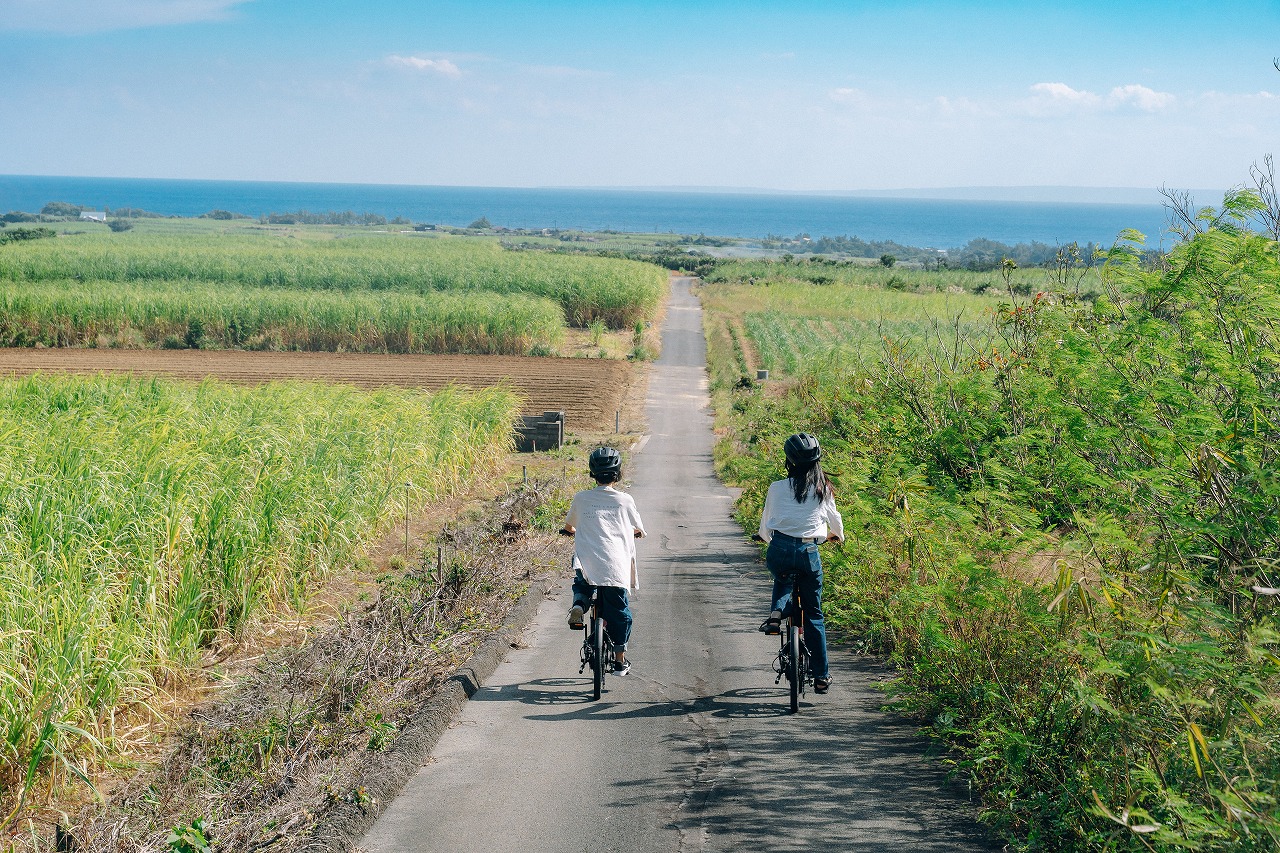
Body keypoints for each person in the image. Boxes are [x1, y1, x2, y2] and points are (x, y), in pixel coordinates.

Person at [757, 432, 844, 694]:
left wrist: (765, 537)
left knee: (782, 578)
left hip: (780, 548)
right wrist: (838, 535)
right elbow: (835, 519)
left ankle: (776, 613)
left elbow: (766, 523)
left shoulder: (776, 487)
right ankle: (821, 676)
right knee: (814, 613)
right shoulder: (823, 488)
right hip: (808, 550)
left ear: (789, 461)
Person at [563, 446, 646, 675]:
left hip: (588, 563)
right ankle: (620, 661)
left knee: (582, 581)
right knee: (619, 612)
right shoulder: (624, 500)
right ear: (617, 473)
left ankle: (580, 603)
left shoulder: (581, 498)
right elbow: (638, 528)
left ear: (592, 473)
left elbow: (570, 525)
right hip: (614, 566)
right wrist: (635, 533)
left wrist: (568, 530)